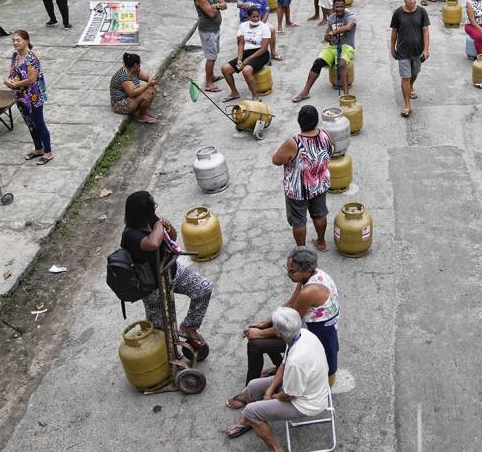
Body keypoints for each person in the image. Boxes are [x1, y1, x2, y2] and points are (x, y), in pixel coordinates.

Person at [230, 247, 341, 398]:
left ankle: (248, 393)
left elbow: (288, 325)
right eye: (287, 269)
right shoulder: (309, 277)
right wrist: (265, 322)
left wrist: (260, 333)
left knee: (255, 344)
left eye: (292, 272)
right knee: (270, 326)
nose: (289, 275)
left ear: (307, 270)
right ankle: (279, 367)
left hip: (315, 342)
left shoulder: (308, 292)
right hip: (307, 330)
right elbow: (290, 305)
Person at [121, 191, 213, 361]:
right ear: (144, 213)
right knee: (162, 329)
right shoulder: (130, 235)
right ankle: (170, 359)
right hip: (152, 288)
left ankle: (188, 327)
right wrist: (158, 226)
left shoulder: (151, 219)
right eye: (153, 207)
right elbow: (153, 243)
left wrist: (168, 228)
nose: (155, 211)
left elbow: (172, 237)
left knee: (203, 288)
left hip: (172, 271)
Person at [222, 307, 332, 446]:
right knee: (253, 386)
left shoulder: (297, 361)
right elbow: (283, 365)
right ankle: (252, 419)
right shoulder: (300, 334)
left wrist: (272, 398)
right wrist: (269, 391)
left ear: (279, 333)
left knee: (250, 411)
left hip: (308, 403)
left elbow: (288, 395)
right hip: (305, 384)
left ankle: (274, 448)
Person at [272, 105, 334, 249]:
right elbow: (333, 149)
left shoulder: (294, 143)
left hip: (298, 190)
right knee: (320, 214)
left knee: (299, 221)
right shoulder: (326, 135)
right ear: (316, 121)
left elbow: (276, 160)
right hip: (319, 185)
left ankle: (301, 250)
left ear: (299, 121)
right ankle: (321, 242)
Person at [291, 0, 357, 101]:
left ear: (345, 7)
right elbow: (327, 34)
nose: (339, 9)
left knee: (341, 63)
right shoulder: (331, 18)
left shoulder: (351, 16)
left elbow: (348, 27)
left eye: (341, 7)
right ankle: (305, 92)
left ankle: (346, 96)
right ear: (333, 7)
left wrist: (334, 32)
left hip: (347, 46)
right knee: (317, 62)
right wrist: (327, 37)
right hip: (332, 47)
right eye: (337, 7)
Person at [3, 30, 53, 165]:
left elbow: (32, 79)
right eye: (13, 40)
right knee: (30, 124)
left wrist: (15, 85)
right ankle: (38, 149)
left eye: (18, 40)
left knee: (39, 124)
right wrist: (8, 80)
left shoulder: (32, 58)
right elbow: (13, 72)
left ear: (26, 41)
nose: (15, 43)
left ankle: (48, 152)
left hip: (33, 96)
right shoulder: (15, 56)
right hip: (20, 96)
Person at [390, 0, 430, 117]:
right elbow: (394, 31)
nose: (412, 2)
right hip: (403, 51)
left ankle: (411, 86)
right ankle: (407, 105)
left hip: (417, 51)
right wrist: (392, 48)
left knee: (415, 73)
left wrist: (426, 49)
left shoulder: (422, 12)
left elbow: (425, 31)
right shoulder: (398, 13)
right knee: (405, 77)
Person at [222, 5, 273, 103]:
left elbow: (264, 48)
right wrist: (240, 59)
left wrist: (248, 60)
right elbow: (241, 44)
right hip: (246, 53)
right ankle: (234, 92)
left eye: (258, 16)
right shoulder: (243, 26)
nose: (256, 18)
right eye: (253, 17)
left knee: (246, 70)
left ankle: (255, 96)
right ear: (249, 17)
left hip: (261, 54)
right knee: (225, 69)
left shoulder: (264, 27)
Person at [194, 0, 228, 92]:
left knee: (214, 55)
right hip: (207, 30)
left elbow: (225, 4)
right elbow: (211, 14)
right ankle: (208, 84)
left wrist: (214, 5)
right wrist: (217, 6)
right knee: (211, 57)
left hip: (215, 29)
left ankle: (212, 77)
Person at [110, 52, 158, 123]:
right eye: (139, 63)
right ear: (135, 65)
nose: (140, 64)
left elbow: (147, 77)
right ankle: (142, 116)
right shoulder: (124, 76)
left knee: (151, 90)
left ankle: (144, 112)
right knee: (147, 94)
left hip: (131, 98)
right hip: (120, 104)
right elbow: (132, 93)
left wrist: (151, 80)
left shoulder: (135, 70)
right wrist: (148, 84)